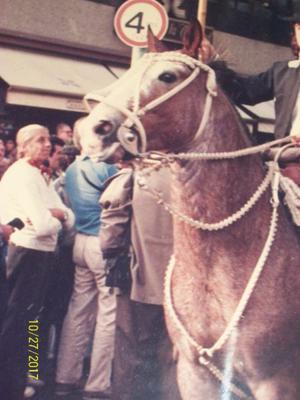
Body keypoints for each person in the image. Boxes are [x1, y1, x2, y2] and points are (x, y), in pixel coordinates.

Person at [0, 124, 75, 400]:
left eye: (47, 139)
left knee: (32, 319)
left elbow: (65, 218)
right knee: (18, 321)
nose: (47, 144)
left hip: (40, 254)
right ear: (24, 145)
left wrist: (58, 215)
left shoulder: (37, 174)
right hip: (28, 253)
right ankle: (11, 385)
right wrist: (59, 216)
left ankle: (25, 377)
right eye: (40, 140)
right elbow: (45, 225)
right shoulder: (23, 175)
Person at [99, 161, 181, 400]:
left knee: (130, 352)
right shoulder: (188, 176)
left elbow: (111, 232)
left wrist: (112, 257)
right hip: (179, 287)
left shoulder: (133, 176)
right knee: (171, 357)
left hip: (139, 281)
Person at [55, 119, 117, 400]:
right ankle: (97, 383)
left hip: (79, 242)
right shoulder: (109, 170)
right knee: (107, 313)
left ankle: (65, 377)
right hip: (102, 244)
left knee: (77, 310)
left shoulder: (71, 170)